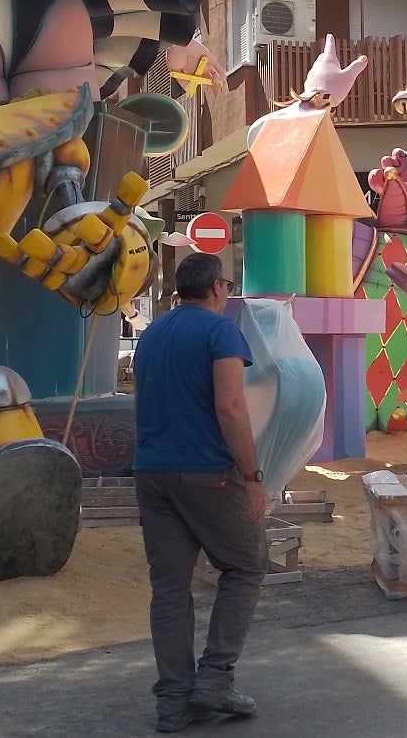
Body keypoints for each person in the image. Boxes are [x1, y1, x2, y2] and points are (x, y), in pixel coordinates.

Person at [132, 253, 266, 733]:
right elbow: (230, 406)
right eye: (227, 285)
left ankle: (172, 703)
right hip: (206, 472)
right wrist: (252, 477)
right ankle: (214, 680)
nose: (227, 294)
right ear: (214, 288)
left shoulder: (152, 334)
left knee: (170, 589)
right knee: (247, 565)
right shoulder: (220, 331)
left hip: (152, 473)